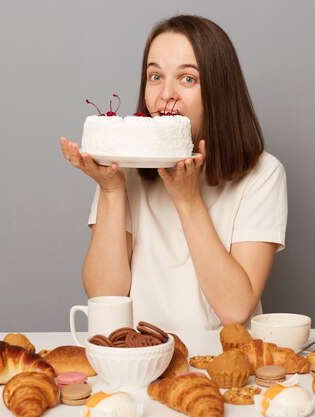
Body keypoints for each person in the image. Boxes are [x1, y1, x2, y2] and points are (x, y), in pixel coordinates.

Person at [60, 15, 287, 331]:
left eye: (188, 79)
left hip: (219, 363)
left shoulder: (263, 174)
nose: (166, 94)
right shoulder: (125, 165)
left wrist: (187, 200)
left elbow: (235, 310)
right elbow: (104, 294)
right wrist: (111, 190)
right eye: (155, 76)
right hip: (139, 355)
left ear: (219, 92)